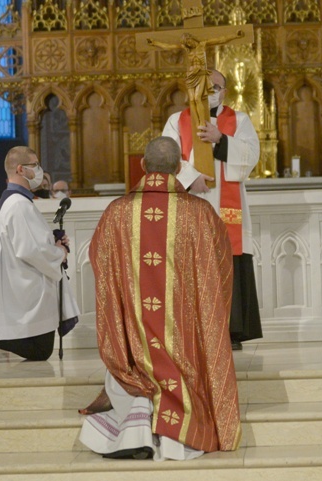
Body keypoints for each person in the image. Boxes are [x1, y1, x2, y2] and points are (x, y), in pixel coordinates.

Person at [78, 136, 241, 461]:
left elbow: (101, 268)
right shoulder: (201, 213)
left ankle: (136, 425)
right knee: (181, 369)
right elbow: (220, 273)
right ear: (180, 168)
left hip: (134, 337)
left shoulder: (116, 213)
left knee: (133, 368)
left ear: (142, 166)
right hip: (185, 342)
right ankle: (173, 434)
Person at [162, 69, 262, 351]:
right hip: (191, 198)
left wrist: (221, 138)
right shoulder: (176, 120)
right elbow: (166, 155)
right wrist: (190, 176)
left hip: (226, 204)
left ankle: (231, 331)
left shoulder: (239, 120)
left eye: (216, 86)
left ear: (225, 91)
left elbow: (251, 156)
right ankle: (193, 332)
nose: (211, 91)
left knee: (228, 262)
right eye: (205, 87)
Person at [0, 146, 79, 363]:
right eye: (35, 166)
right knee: (40, 349)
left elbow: (28, 239)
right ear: (21, 169)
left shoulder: (15, 201)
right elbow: (31, 249)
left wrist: (52, 240)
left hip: (23, 278)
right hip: (27, 281)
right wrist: (59, 252)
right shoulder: (19, 204)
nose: (39, 171)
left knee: (40, 348)